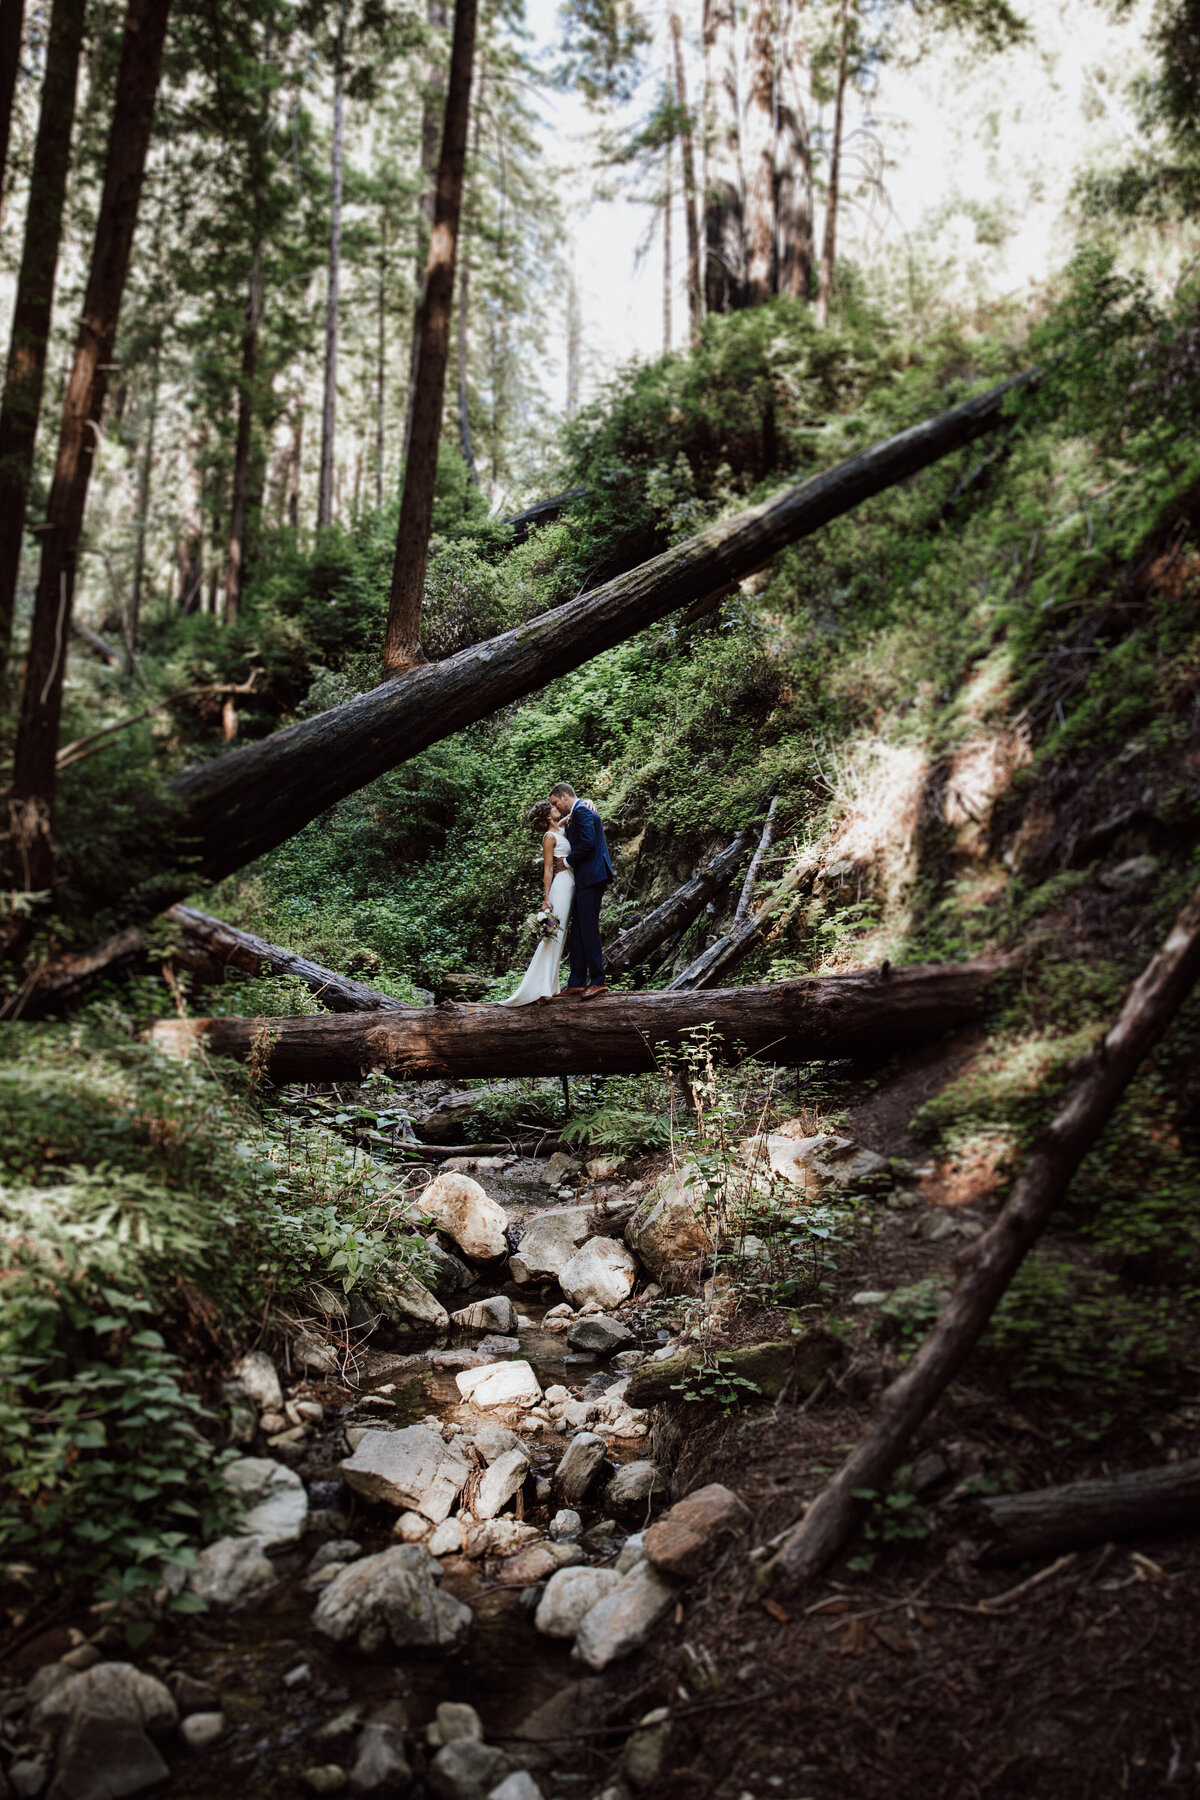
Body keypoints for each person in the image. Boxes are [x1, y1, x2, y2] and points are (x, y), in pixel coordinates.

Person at [498, 798, 574, 1006]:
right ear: (547, 815)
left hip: (572, 884)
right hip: (561, 887)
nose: (556, 808)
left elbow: (572, 814)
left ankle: (549, 986)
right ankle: (539, 989)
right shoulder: (549, 837)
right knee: (553, 935)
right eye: (552, 808)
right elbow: (548, 869)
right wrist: (546, 898)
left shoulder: (561, 829)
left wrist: (587, 804)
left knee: (561, 935)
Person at [551, 780, 614, 999]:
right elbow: (559, 827)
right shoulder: (579, 811)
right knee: (578, 930)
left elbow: (588, 843)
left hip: (592, 877)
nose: (556, 808)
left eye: (555, 803)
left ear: (564, 796)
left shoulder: (582, 812)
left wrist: (567, 862)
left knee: (588, 928)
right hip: (586, 878)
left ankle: (598, 981)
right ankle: (576, 982)